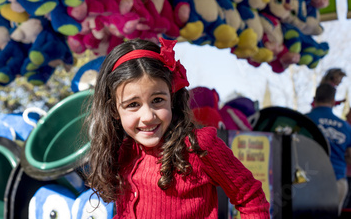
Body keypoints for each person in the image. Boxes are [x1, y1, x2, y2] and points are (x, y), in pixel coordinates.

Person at [85, 38, 270, 218]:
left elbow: (251, 198)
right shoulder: (122, 153)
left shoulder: (199, 146)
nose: (148, 116)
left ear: (172, 99)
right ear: (114, 110)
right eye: (133, 104)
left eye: (157, 100)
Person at [306, 83, 351, 216]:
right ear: (333, 101)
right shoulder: (345, 127)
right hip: (336, 180)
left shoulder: (303, 120)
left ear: (315, 99)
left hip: (307, 182)